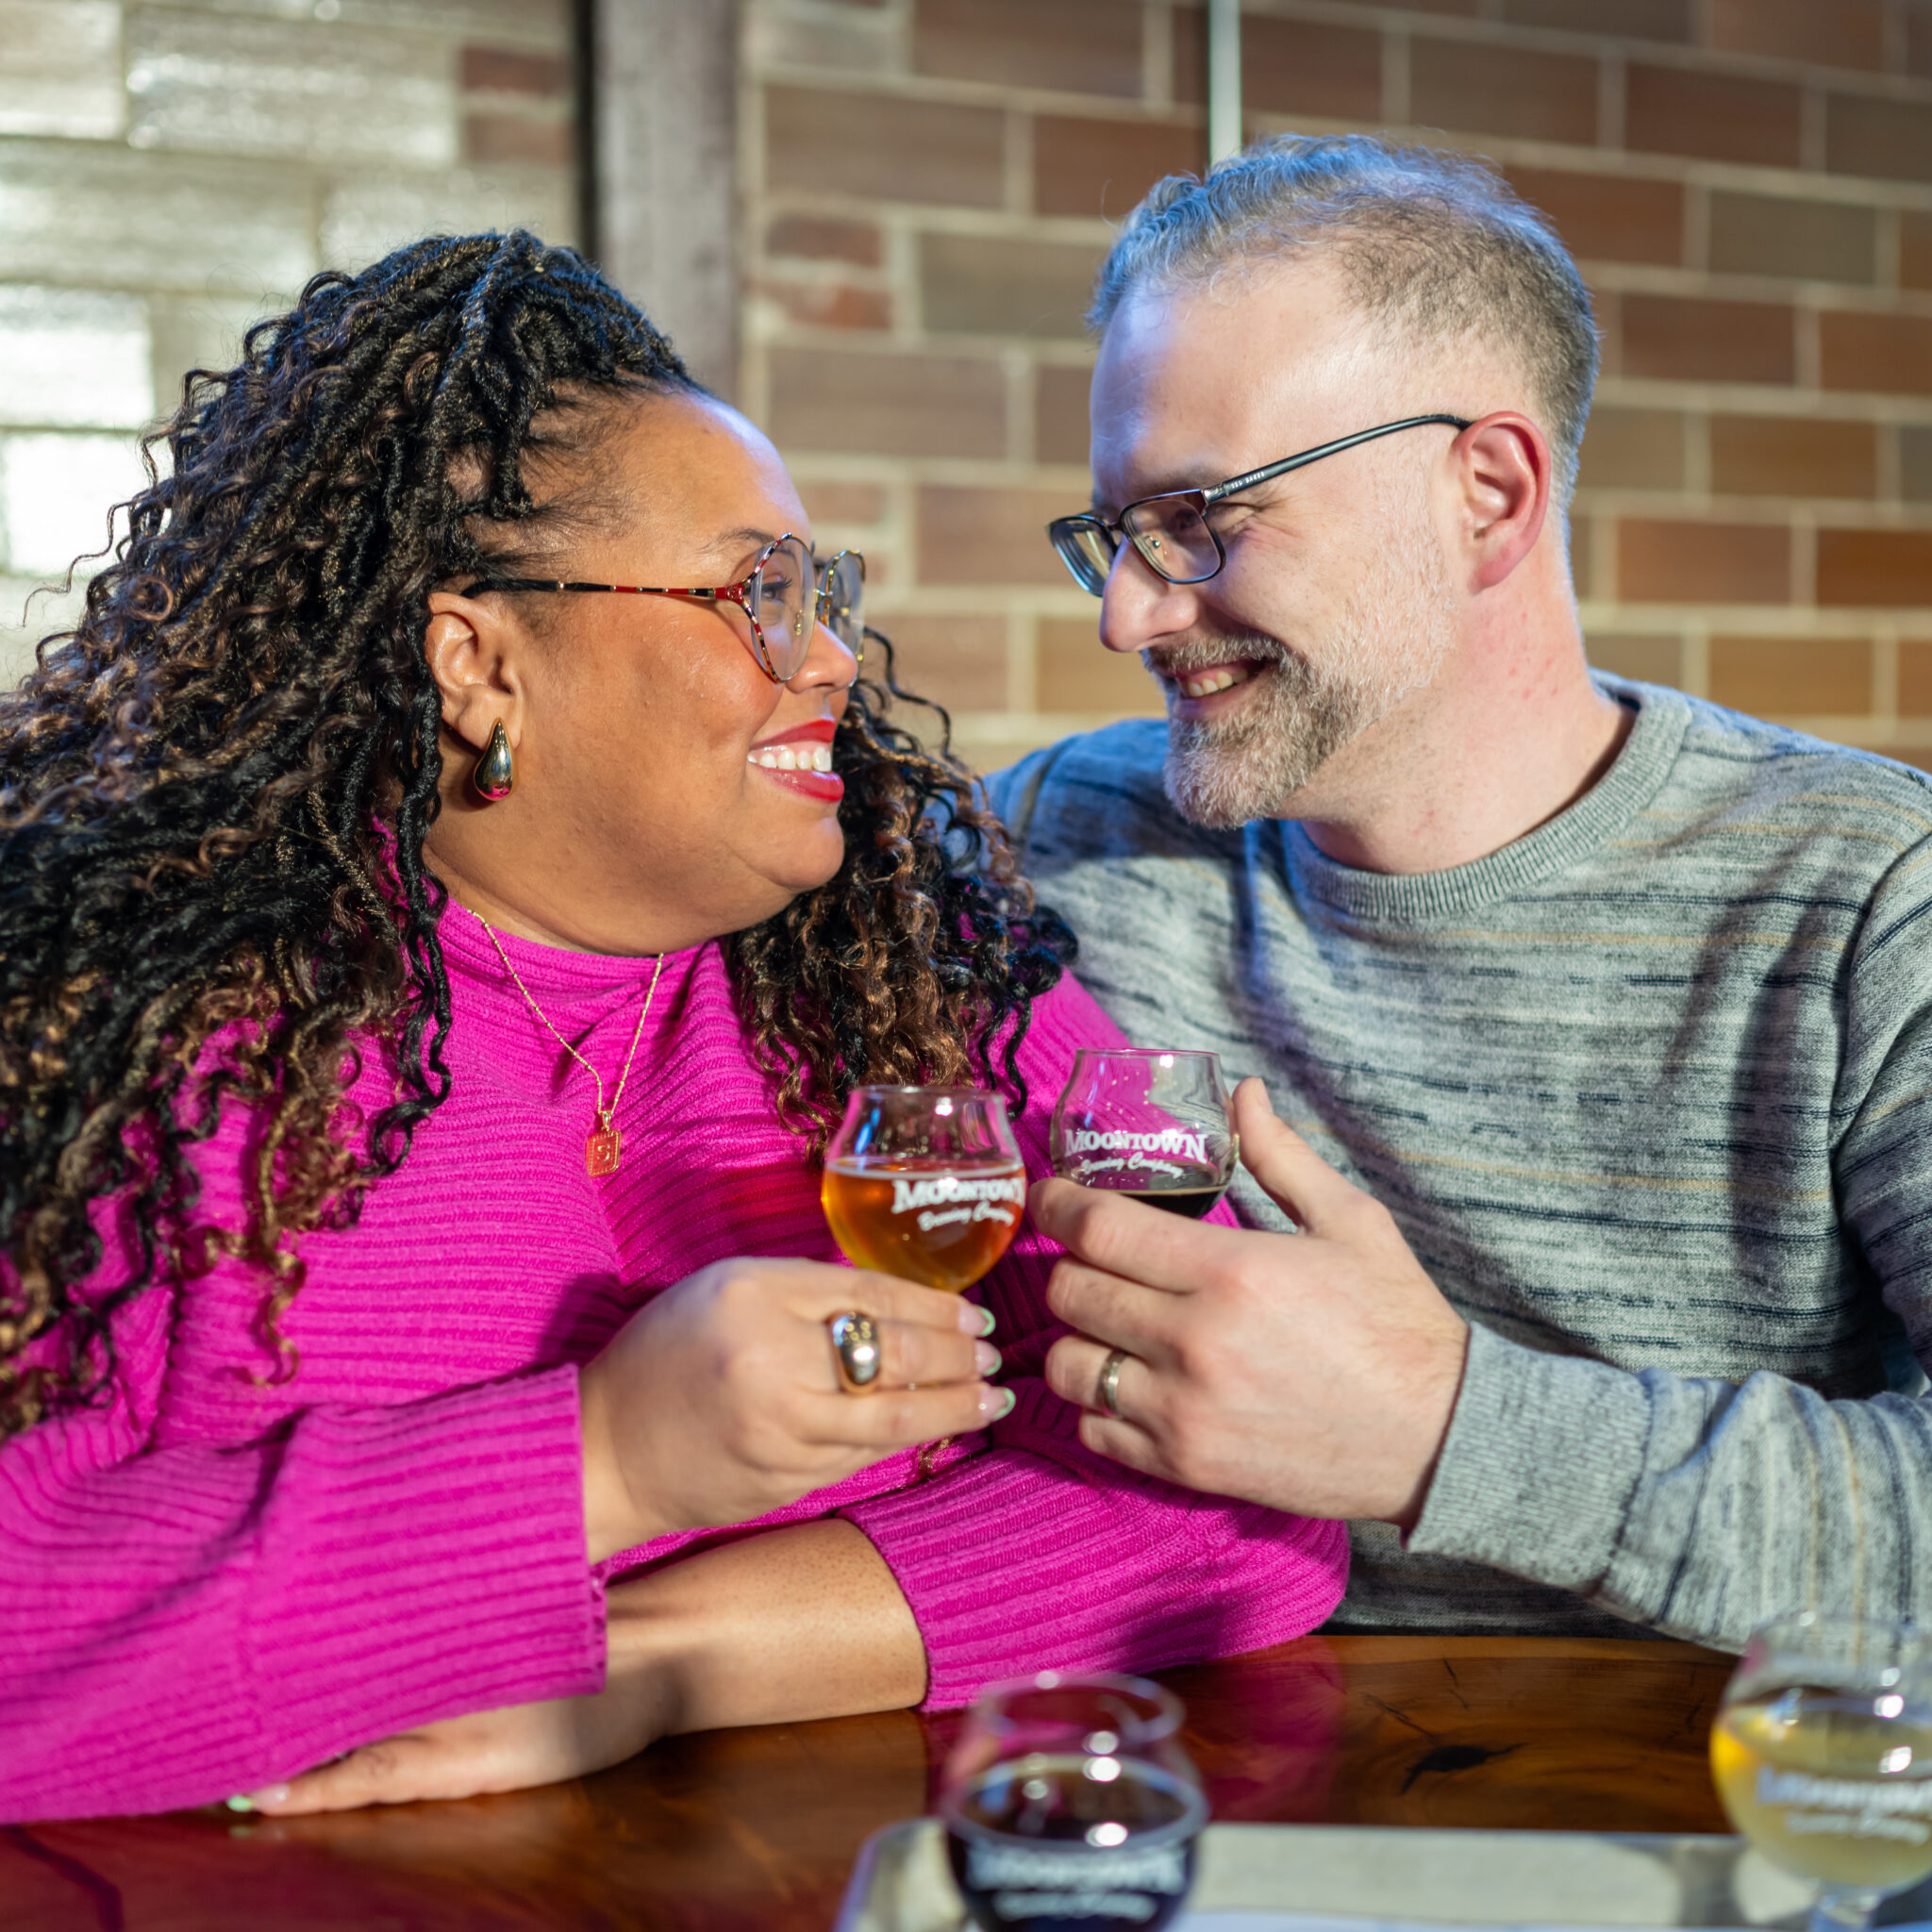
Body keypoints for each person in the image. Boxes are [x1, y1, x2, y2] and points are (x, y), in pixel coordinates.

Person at [0, 233, 1347, 1823]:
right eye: (755, 594)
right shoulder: (134, 1042)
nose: (834, 660)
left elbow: (1256, 1485)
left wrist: (656, 1664)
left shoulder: (916, 980)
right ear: (478, 659)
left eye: (821, 594)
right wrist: (600, 1462)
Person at [986, 133, 1932, 1648]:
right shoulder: (1066, 839)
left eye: (1203, 519)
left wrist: (1445, 1432)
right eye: (1116, 534)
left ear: (1488, 494)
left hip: (1702, 1821)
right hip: (1195, 1796)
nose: (1128, 616)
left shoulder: (1875, 901)